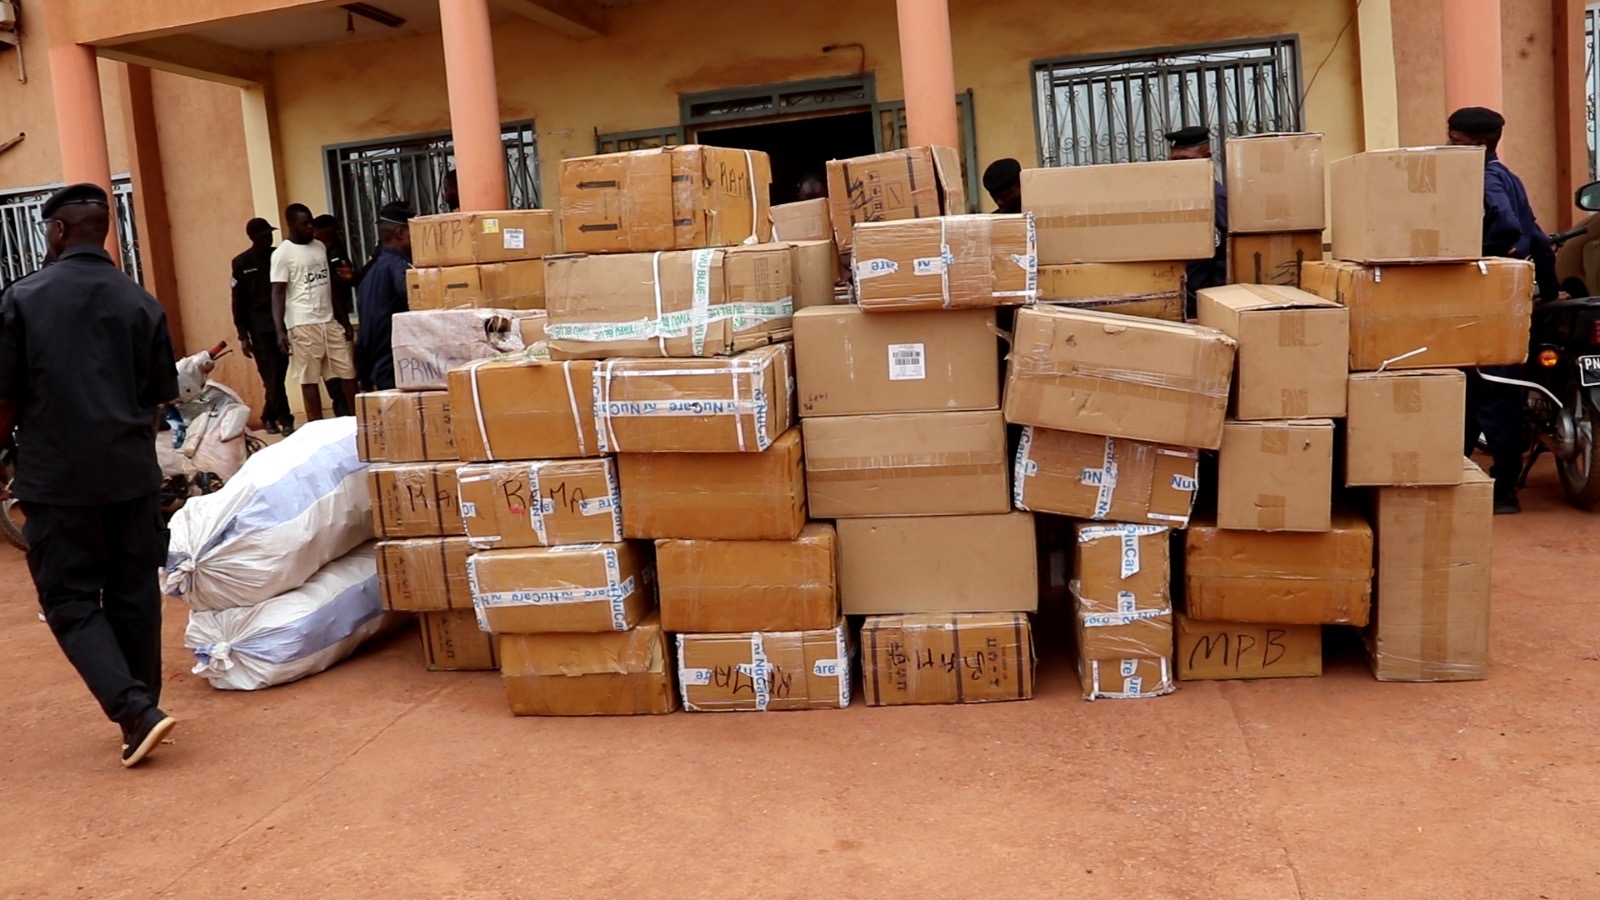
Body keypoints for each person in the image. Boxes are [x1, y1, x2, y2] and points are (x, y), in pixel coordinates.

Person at [0, 183, 180, 768]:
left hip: (58, 482)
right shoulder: (141, 302)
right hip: (131, 476)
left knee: (69, 598)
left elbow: (5, 398)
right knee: (134, 594)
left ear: (57, 231)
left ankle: (135, 712)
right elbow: (158, 396)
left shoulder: (23, 299)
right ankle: (142, 710)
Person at [1448, 106, 1559, 515]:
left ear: (1479, 144)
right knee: (1481, 393)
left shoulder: (1485, 178)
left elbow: (1510, 226)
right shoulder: (1510, 178)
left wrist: (1479, 254)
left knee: (1488, 394)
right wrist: (1550, 290)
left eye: (1455, 141)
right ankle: (1464, 478)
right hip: (1505, 306)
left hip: (1483, 303)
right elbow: (1539, 240)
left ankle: (1503, 491)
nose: (1448, 147)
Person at [271, 203, 358, 422]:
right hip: (302, 323)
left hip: (329, 321)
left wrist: (344, 319)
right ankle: (315, 426)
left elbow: (329, 286)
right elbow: (277, 293)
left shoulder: (319, 246)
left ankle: (357, 420)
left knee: (347, 371)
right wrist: (280, 331)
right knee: (309, 378)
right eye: (305, 223)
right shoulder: (283, 254)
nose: (311, 227)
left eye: (311, 222)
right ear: (291, 224)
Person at [231, 218, 293, 435]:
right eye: (264, 235)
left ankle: (268, 416)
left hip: (282, 323)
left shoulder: (278, 255)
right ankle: (286, 420)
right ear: (252, 237)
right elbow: (237, 302)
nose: (269, 238)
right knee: (271, 374)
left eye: (270, 234)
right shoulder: (241, 263)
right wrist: (242, 335)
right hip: (258, 328)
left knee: (277, 374)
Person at [1166, 125, 1228, 317]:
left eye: (1186, 160)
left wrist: (1214, 302)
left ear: (1206, 157)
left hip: (1203, 303)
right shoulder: (1174, 198)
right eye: (1175, 161)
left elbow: (1225, 255)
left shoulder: (1216, 198)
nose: (1180, 167)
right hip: (1176, 298)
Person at [355, 202, 414, 391]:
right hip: (394, 365)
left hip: (376, 365)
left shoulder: (372, 269)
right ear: (400, 233)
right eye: (412, 233)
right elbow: (414, 297)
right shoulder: (398, 267)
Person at [312, 215, 360, 414]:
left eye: (317, 229)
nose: (314, 232)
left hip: (337, 318)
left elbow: (338, 287)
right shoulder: (319, 252)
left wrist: (345, 321)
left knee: (344, 370)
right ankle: (340, 407)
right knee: (329, 371)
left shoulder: (335, 253)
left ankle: (345, 410)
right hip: (324, 318)